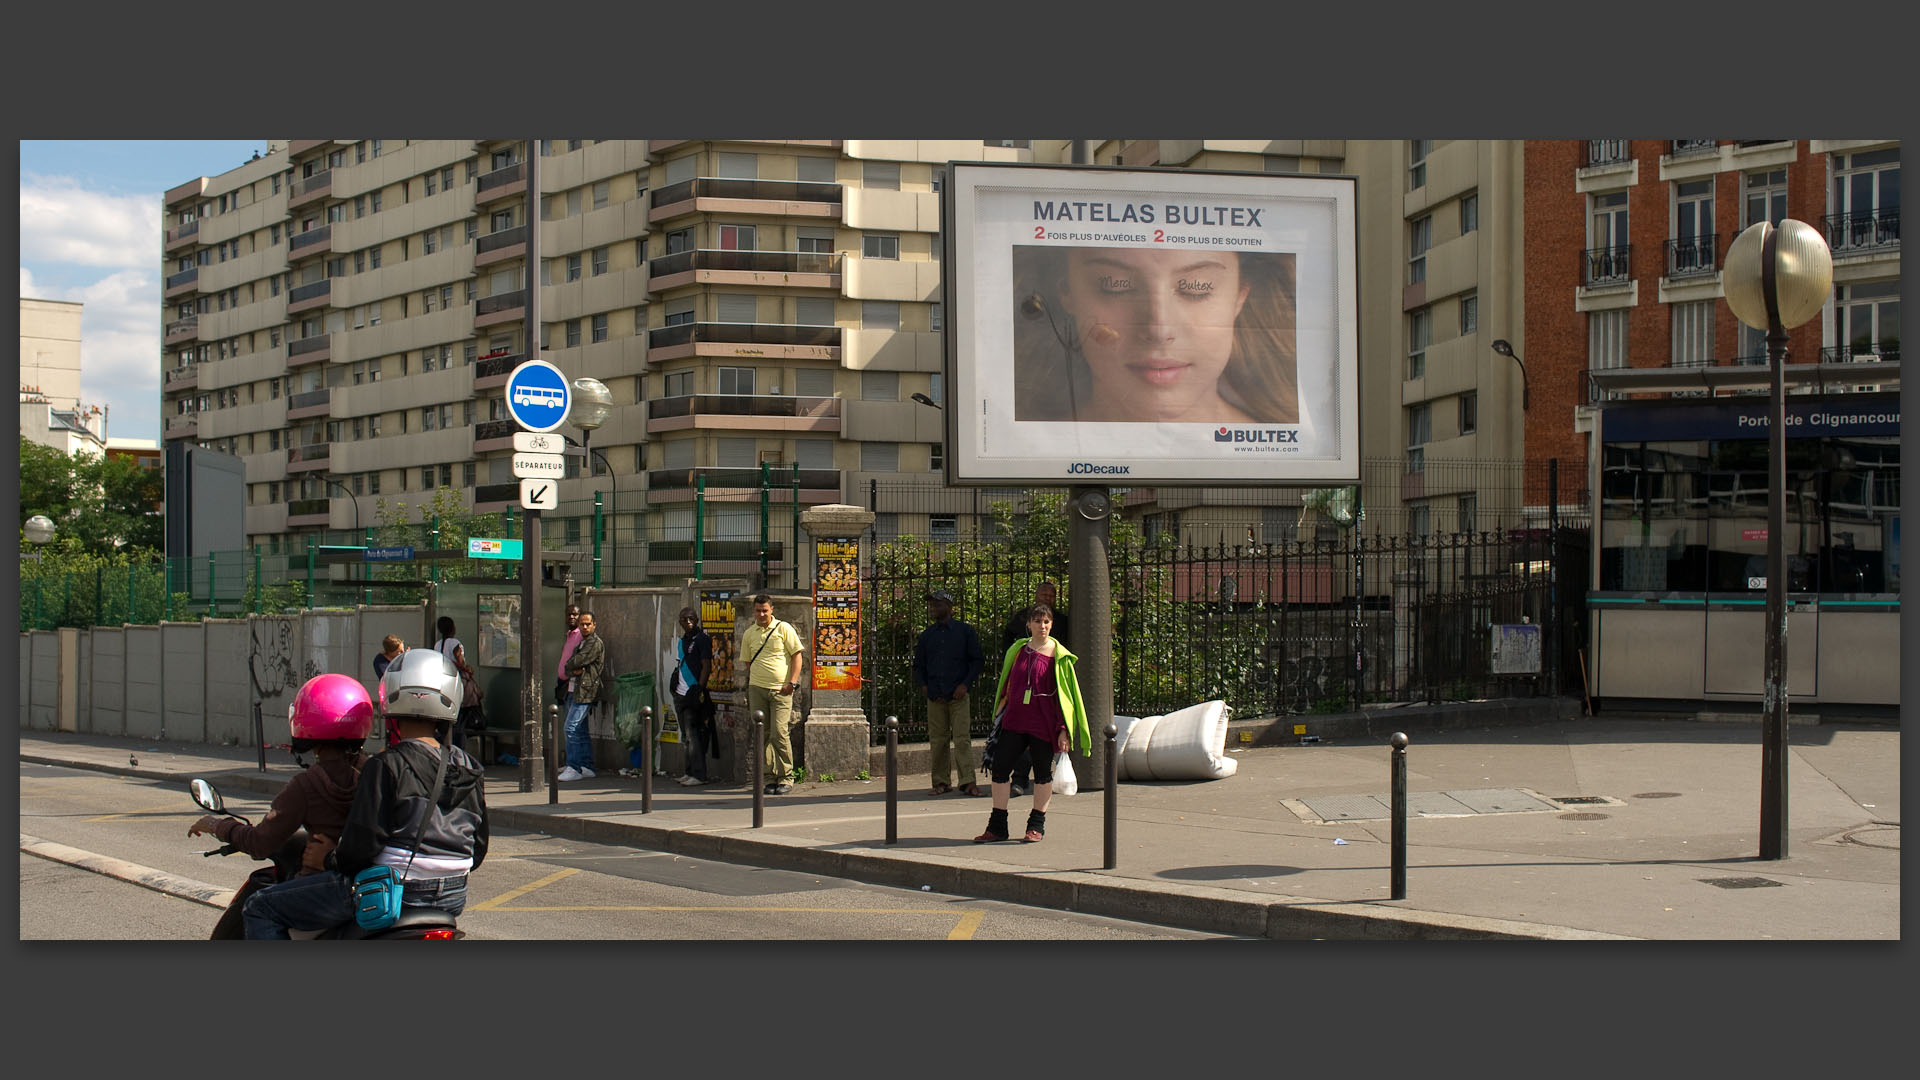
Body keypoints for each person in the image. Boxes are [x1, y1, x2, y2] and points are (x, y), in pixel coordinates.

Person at [241, 649, 488, 938]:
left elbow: (361, 847)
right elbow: (478, 848)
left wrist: (327, 858)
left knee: (259, 907)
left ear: (391, 694)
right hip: (453, 897)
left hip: (391, 891)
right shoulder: (469, 765)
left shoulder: (387, 765)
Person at [1013, 246, 1298, 425]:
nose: (1158, 330)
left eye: (1196, 288)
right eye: (1116, 286)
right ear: (1067, 293)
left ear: (1239, 297)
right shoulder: (1026, 441)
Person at [191, 673, 370, 939]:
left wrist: (219, 825)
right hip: (368, 885)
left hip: (323, 888)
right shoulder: (375, 773)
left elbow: (260, 843)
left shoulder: (306, 785)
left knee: (256, 907)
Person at [973, 603, 1090, 845]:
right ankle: (997, 827)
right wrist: (1001, 712)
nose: (1042, 626)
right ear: (1029, 624)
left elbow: (1064, 697)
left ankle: (1036, 826)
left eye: (1046, 621)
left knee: (1043, 775)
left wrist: (1063, 730)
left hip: (1044, 724)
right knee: (1000, 770)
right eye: (1038, 621)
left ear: (1051, 624)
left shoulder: (1060, 656)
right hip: (1014, 722)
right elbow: (1007, 684)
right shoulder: (1017, 650)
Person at [999, 581, 1070, 797]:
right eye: (1044, 594)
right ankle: (1018, 779)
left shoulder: (1064, 622)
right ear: (1030, 624)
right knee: (1020, 737)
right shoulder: (1020, 620)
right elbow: (1008, 643)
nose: (1042, 626)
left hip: (1047, 694)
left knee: (1042, 741)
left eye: (1052, 595)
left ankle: (1041, 780)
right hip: (1023, 691)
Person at [912, 589, 985, 797]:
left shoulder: (965, 632)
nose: (933, 608)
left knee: (962, 738)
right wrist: (924, 686)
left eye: (938, 604)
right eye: (932, 605)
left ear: (949, 608)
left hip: (958, 694)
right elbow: (919, 665)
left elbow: (977, 660)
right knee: (938, 740)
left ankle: (968, 781)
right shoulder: (927, 635)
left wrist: (965, 684)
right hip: (935, 695)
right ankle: (941, 781)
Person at [740, 593, 805, 795]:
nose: (761, 614)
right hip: (757, 689)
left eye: (765, 610)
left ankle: (786, 776)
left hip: (781, 690)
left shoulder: (783, 628)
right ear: (754, 611)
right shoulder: (749, 633)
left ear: (772, 610)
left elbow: (797, 656)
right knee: (763, 734)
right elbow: (748, 662)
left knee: (779, 732)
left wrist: (791, 684)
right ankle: (769, 777)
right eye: (758, 610)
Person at [558, 611, 605, 781]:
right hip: (574, 689)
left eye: (588, 624)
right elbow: (569, 666)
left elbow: (576, 661)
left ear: (594, 625)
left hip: (585, 691)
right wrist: (572, 668)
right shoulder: (582, 643)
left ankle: (574, 766)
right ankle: (586, 765)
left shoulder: (594, 643)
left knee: (570, 728)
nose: (584, 627)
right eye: (582, 624)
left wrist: (573, 666)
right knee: (581, 730)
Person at [670, 606, 714, 786]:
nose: (688, 622)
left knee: (693, 735)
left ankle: (699, 774)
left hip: (693, 692)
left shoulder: (702, 640)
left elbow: (706, 665)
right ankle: (688, 771)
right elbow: (680, 663)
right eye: (684, 619)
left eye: (691, 618)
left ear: (696, 620)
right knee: (685, 736)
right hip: (680, 692)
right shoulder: (682, 641)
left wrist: (699, 689)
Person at [433, 616, 477, 753]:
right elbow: (461, 662)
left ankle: (444, 748)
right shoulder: (455, 643)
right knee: (460, 719)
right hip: (457, 682)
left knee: (446, 717)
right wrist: (468, 669)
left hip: (443, 683)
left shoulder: (438, 644)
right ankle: (458, 751)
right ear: (453, 628)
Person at [372, 635, 406, 749]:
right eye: (399, 651)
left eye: (403, 650)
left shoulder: (400, 658)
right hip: (391, 697)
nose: (402, 653)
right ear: (390, 652)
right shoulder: (380, 661)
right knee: (394, 728)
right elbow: (389, 677)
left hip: (403, 696)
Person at [555, 603, 582, 713]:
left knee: (571, 726)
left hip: (574, 687)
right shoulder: (569, 635)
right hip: (565, 686)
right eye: (569, 614)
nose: (571, 617)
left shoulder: (580, 635)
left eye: (575, 614)